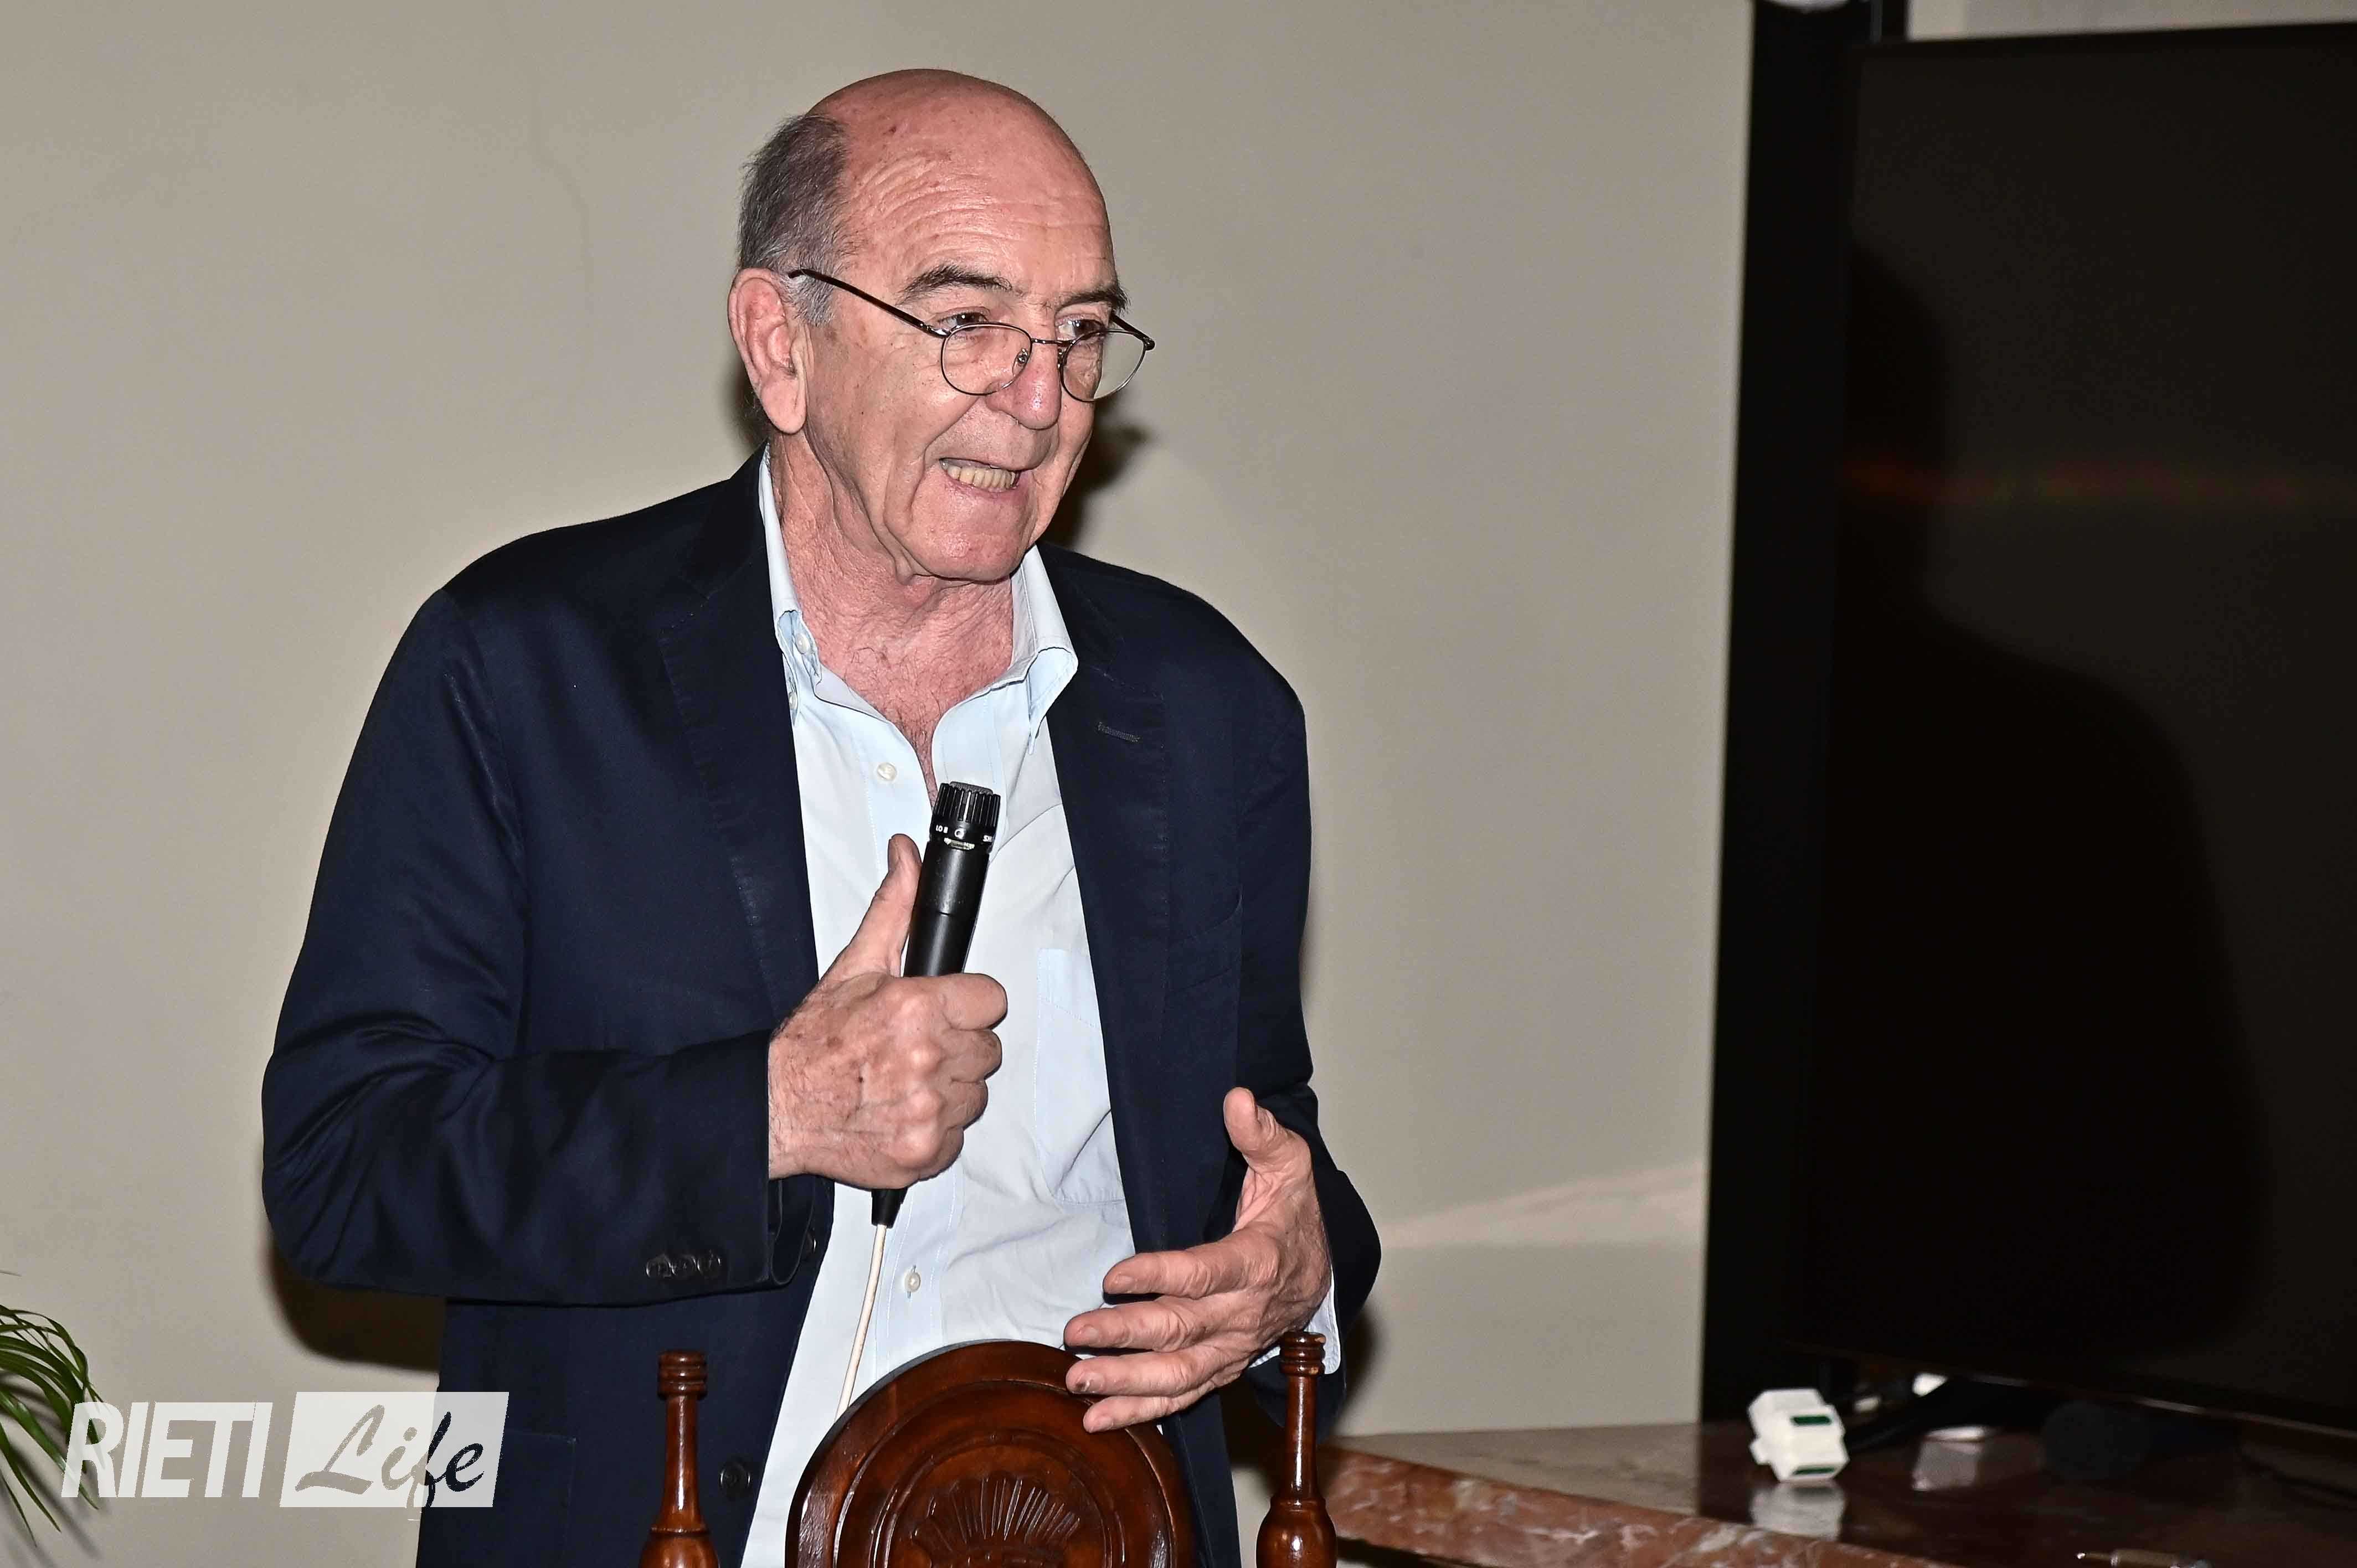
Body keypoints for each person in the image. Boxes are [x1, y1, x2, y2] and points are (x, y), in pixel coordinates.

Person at [260, 68, 1378, 1568]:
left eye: (1079, 334)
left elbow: (1262, 1148)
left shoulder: (1206, 710)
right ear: (781, 346)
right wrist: (768, 1113)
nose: (1036, 398)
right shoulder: (530, 665)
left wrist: (1299, 1272)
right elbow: (346, 1170)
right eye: (967, 320)